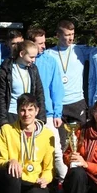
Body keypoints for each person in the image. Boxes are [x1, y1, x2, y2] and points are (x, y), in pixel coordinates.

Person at [0, 94, 54, 193]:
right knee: (13, 174)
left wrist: (45, 179)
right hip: (12, 181)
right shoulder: (6, 130)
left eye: (30, 109)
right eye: (22, 110)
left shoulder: (47, 135)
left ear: (37, 110)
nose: (26, 114)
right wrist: (10, 162)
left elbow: (48, 168)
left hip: (33, 182)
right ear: (17, 111)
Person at [26, 28, 67, 180]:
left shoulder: (50, 61)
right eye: (40, 43)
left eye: (44, 42)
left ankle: (64, 180)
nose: (44, 46)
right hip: (27, 113)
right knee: (30, 150)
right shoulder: (24, 61)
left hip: (48, 113)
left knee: (55, 149)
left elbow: (57, 88)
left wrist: (58, 113)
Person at [44, 20, 93, 129]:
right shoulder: (49, 54)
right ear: (58, 35)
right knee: (61, 142)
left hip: (77, 102)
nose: (71, 38)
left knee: (79, 140)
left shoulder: (80, 50)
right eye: (67, 35)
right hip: (58, 104)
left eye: (72, 34)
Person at [0, 40, 46, 126]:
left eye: (35, 57)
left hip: (29, 113)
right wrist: (3, 121)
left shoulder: (33, 69)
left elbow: (39, 93)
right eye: (31, 57)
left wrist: (41, 118)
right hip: (12, 114)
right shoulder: (6, 70)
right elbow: (1, 97)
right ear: (21, 54)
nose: (34, 60)